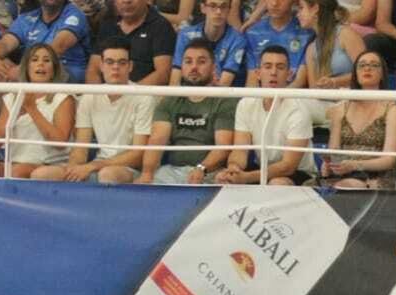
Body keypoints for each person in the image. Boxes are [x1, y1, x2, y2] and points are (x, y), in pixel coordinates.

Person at [33, 34, 152, 181]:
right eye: (109, 62)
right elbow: (81, 148)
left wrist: (93, 166)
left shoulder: (144, 97)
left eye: (121, 62)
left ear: (130, 66)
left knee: (107, 175)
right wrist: (74, 167)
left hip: (127, 169)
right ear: (101, 66)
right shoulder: (90, 96)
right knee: (42, 174)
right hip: (99, 165)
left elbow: (137, 155)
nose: (115, 67)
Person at [0, 42, 76, 177]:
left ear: (54, 70)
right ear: (27, 68)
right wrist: (16, 113)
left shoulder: (63, 98)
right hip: (14, 162)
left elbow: (60, 143)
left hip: (49, 164)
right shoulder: (13, 97)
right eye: (34, 60)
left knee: (17, 172)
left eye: (46, 60)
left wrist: (32, 110)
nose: (40, 64)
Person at [135, 38, 237, 184]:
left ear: (213, 67)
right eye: (188, 62)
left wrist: (202, 168)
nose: (194, 67)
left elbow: (223, 146)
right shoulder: (170, 100)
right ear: (181, 67)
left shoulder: (224, 99)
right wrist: (147, 173)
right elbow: (157, 141)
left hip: (211, 172)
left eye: (201, 62)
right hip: (172, 170)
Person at [216, 43, 316, 185]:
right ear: (258, 73)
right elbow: (240, 150)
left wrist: (247, 177)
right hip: (262, 168)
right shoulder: (246, 103)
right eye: (268, 66)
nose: (273, 72)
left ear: (289, 75)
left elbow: (288, 166)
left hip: (298, 173)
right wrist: (233, 169)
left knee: (277, 184)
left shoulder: (299, 110)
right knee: (223, 179)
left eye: (280, 67)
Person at [321, 50, 396, 189]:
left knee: (348, 185)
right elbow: (334, 150)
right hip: (343, 173)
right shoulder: (341, 108)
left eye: (374, 65)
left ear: (382, 74)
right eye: (362, 65)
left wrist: (356, 165)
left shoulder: (392, 110)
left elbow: (389, 160)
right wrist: (329, 164)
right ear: (356, 73)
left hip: (377, 175)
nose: (367, 68)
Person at [0, 0, 90, 82]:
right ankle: (7, 106)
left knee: (44, 70)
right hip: (32, 71)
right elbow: (5, 43)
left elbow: (59, 46)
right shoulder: (26, 18)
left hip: (65, 73)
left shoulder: (75, 15)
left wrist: (22, 69)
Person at [87, 0, 177, 83]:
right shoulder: (108, 24)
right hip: (105, 94)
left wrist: (130, 96)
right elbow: (93, 69)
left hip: (144, 96)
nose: (126, 1)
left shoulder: (161, 26)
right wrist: (97, 95)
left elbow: (163, 73)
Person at [171, 0, 246, 84]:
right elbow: (175, 78)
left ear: (229, 9)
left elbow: (224, 85)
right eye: (213, 6)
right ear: (203, 8)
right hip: (188, 90)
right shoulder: (185, 35)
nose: (218, 12)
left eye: (223, 6)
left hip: (218, 94)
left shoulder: (237, 39)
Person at [298, 0, 366, 89]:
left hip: (352, 98)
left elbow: (366, 72)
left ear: (315, 9)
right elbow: (314, 90)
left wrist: (335, 82)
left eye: (301, 8)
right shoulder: (310, 49)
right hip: (325, 101)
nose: (298, 14)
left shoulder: (346, 34)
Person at [243, 0, 314, 86]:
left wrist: (279, 98)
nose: (274, 3)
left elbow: (299, 81)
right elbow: (252, 79)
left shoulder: (306, 33)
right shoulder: (253, 33)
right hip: (261, 95)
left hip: (292, 95)